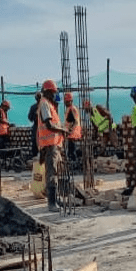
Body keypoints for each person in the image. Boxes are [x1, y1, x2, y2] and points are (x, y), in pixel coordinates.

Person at [37, 79, 68, 212]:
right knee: (52, 173)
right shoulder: (44, 104)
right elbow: (49, 125)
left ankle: (55, 199)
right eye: (53, 92)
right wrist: (62, 130)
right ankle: (51, 203)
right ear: (48, 92)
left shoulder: (48, 104)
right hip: (50, 146)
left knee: (55, 172)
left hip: (53, 145)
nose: (54, 95)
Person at [63, 92, 82, 162]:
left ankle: (74, 162)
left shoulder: (72, 109)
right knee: (71, 149)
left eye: (67, 101)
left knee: (72, 150)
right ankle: (73, 161)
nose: (66, 103)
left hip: (73, 132)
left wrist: (70, 130)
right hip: (71, 132)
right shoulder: (70, 108)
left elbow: (75, 121)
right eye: (66, 101)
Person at [28, 92, 41, 157]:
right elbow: (30, 118)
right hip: (39, 126)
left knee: (36, 143)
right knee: (35, 142)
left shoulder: (34, 107)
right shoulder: (34, 107)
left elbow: (30, 118)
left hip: (40, 126)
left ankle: (37, 157)